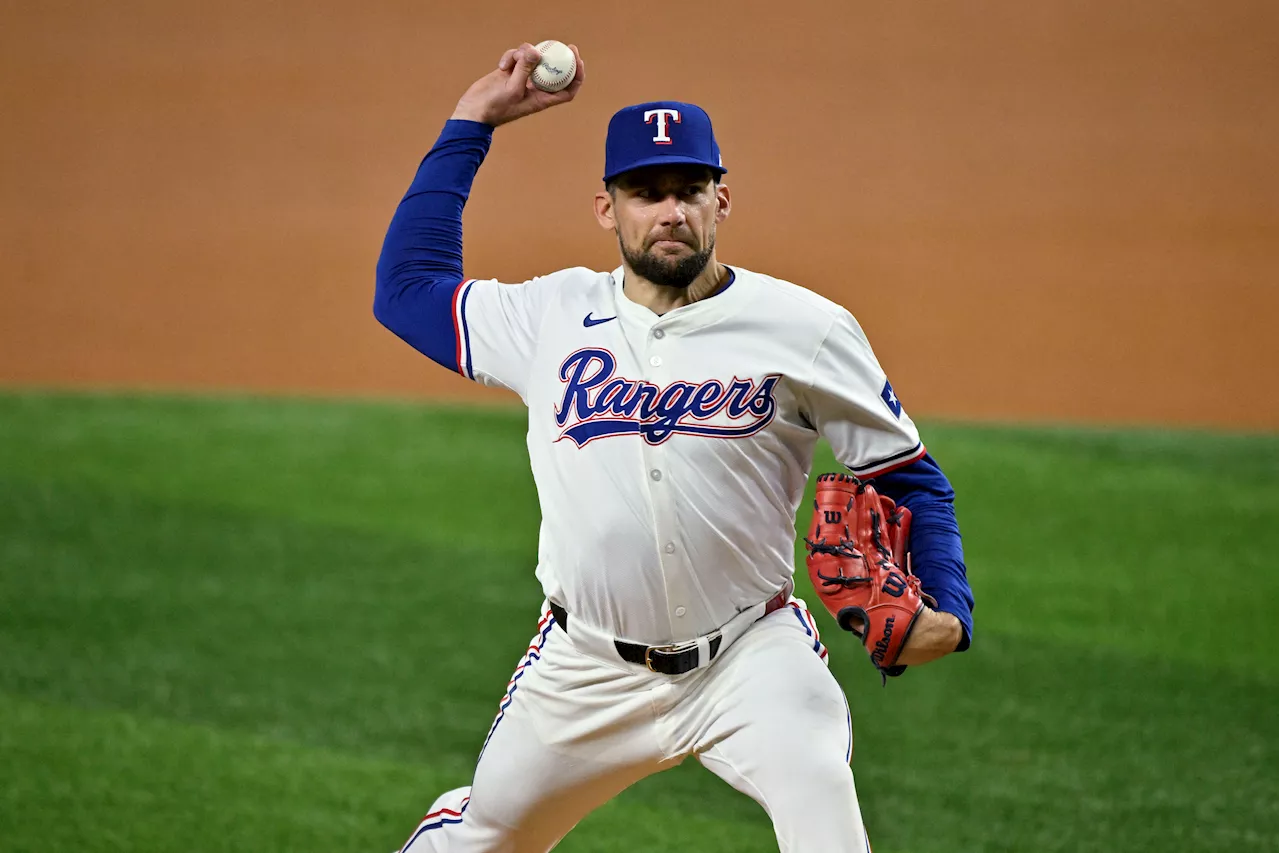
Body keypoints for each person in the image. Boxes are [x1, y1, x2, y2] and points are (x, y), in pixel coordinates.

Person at [374, 41, 974, 853]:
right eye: (646, 192)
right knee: (485, 835)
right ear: (606, 208)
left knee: (827, 819)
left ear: (722, 200)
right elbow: (406, 290)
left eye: (689, 190)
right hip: (584, 666)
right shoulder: (549, 318)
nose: (670, 211)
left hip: (751, 657)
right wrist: (471, 121)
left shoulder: (808, 329)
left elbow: (910, 477)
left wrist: (948, 609)